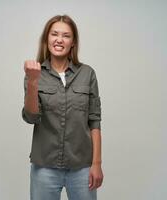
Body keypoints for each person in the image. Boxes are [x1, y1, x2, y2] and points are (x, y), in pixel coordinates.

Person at [22, 14, 103, 200]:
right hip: (45, 166)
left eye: (66, 36)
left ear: (73, 42)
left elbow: (94, 121)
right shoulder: (34, 73)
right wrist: (33, 81)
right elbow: (31, 117)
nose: (59, 40)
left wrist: (96, 163)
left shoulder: (87, 74)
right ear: (46, 39)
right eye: (54, 34)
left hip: (82, 166)